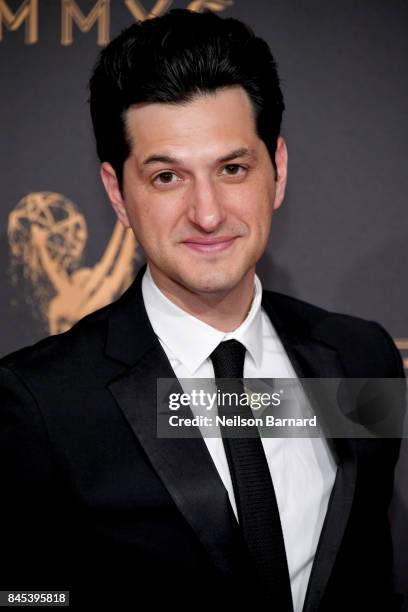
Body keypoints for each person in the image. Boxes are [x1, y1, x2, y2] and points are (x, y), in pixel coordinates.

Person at [0, 9, 405, 612]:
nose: (208, 214)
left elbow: (370, 563)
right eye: (167, 177)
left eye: (233, 169)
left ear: (279, 171)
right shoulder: (41, 402)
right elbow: (23, 595)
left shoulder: (360, 354)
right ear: (118, 192)